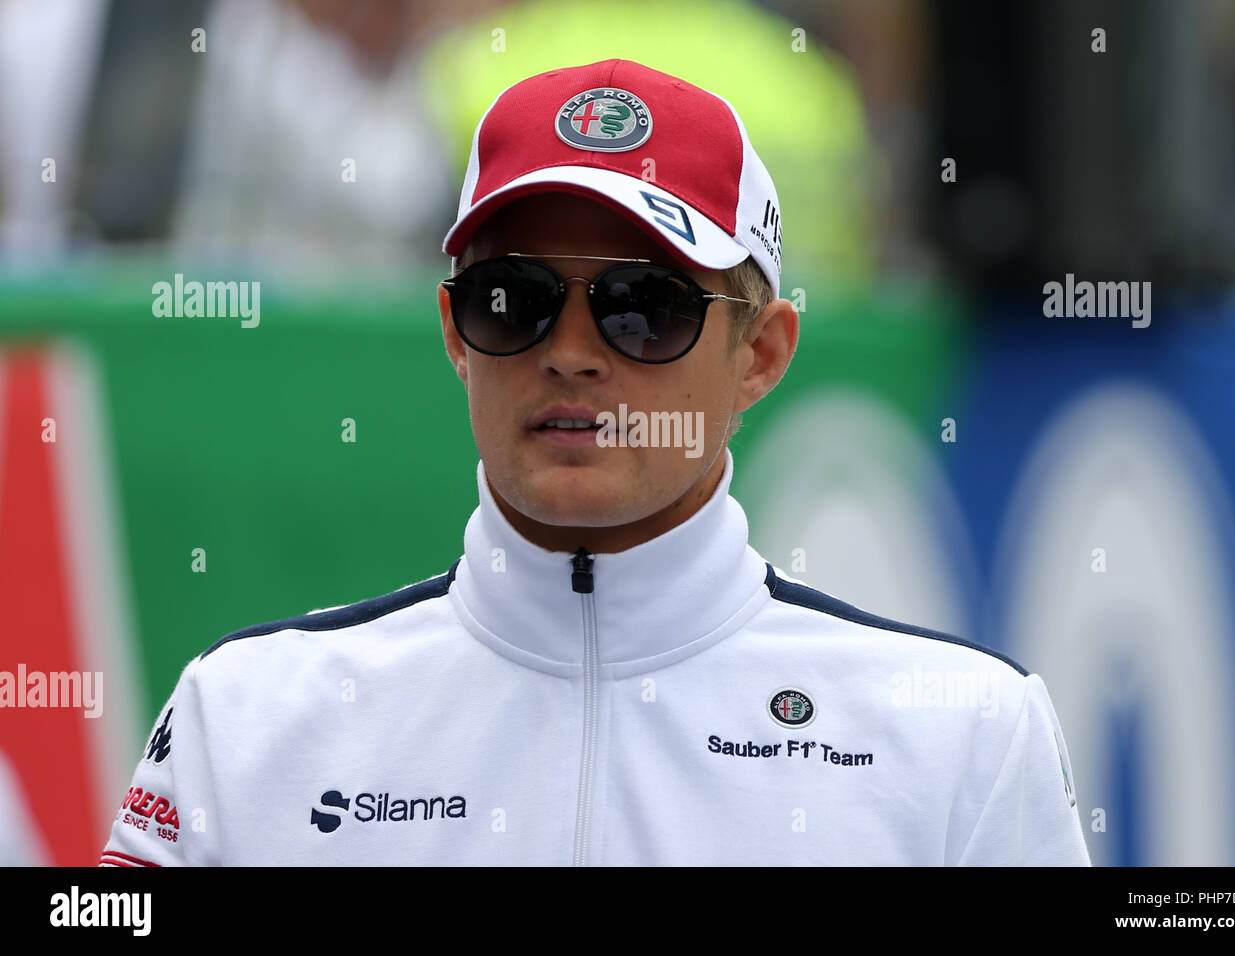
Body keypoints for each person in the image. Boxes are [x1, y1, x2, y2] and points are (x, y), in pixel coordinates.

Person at [98, 58, 1090, 866]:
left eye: (642, 305)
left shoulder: (962, 732)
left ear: (760, 353)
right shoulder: (247, 717)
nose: (571, 350)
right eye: (513, 298)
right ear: (453, 329)